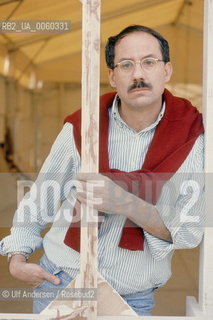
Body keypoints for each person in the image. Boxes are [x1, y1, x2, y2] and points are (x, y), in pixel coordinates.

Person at [0, 25, 205, 316]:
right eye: (126, 65)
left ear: (167, 70)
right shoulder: (82, 126)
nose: (138, 74)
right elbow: (41, 197)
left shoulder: (193, 137)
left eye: (149, 62)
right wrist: (17, 257)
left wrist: (125, 202)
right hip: (61, 280)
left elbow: (188, 231)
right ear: (112, 76)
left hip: (132, 296)